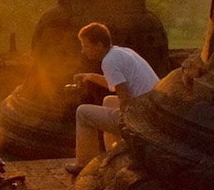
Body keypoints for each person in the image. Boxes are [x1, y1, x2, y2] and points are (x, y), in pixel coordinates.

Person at [65, 22, 159, 174]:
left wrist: (126, 128)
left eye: (86, 46)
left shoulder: (109, 61)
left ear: (99, 45)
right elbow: (116, 84)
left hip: (141, 118)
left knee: (82, 112)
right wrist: (89, 76)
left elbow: (125, 97)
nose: (83, 51)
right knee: (108, 101)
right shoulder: (121, 52)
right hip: (152, 109)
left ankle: (84, 164)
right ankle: (113, 153)